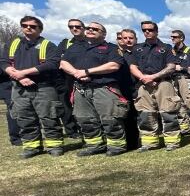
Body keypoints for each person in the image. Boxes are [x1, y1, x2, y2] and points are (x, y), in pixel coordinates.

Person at [60, 22, 129, 156]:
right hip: (81, 89)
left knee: (111, 118)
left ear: (103, 34)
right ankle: (95, 145)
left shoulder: (110, 48)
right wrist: (76, 73)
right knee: (85, 119)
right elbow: (63, 63)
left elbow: (114, 65)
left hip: (104, 88)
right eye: (89, 28)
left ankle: (116, 146)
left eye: (95, 29)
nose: (91, 30)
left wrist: (87, 72)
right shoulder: (75, 47)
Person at [0, 16, 64, 158]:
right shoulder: (13, 44)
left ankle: (54, 145)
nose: (28, 28)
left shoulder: (48, 45)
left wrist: (24, 72)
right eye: (25, 25)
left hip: (43, 87)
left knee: (49, 117)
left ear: (40, 29)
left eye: (32, 26)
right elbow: (4, 62)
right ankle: (31, 146)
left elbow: (51, 64)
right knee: (24, 117)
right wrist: (19, 77)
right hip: (19, 88)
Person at [126, 21, 181, 152]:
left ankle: (172, 142)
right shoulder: (137, 48)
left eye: (150, 30)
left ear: (156, 31)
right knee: (146, 115)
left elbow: (171, 66)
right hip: (143, 85)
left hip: (163, 83)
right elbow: (132, 66)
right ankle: (150, 143)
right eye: (144, 30)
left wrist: (153, 77)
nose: (147, 32)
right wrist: (143, 78)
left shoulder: (166, 47)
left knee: (168, 113)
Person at [56, 18, 86, 141]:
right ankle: (72, 130)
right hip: (67, 78)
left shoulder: (90, 41)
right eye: (71, 27)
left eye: (77, 26)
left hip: (86, 77)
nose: (74, 29)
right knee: (67, 105)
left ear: (83, 28)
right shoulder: (65, 43)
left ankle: (87, 128)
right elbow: (59, 60)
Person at [117, 29, 139, 149]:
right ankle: (131, 143)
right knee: (127, 116)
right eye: (124, 38)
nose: (128, 40)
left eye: (130, 38)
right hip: (124, 89)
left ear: (136, 39)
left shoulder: (141, 52)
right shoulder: (117, 54)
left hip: (140, 87)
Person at [170, 29, 190, 136]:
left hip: (185, 79)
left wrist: (181, 68)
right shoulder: (171, 51)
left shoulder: (189, 51)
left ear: (181, 38)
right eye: (171, 37)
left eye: (174, 37)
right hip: (174, 80)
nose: (172, 39)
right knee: (178, 105)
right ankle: (185, 128)